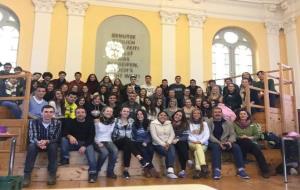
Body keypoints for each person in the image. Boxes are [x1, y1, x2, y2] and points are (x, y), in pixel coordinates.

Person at [23, 105, 61, 187]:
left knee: (54, 146)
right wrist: (38, 143)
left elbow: (56, 137)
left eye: (51, 112)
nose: (48, 114)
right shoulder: (33, 122)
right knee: (31, 146)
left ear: (53, 114)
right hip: (37, 143)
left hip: (50, 143)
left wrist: (47, 141)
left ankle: (52, 174)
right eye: (46, 112)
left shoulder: (57, 123)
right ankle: (27, 175)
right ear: (41, 113)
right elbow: (32, 136)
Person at [207, 106, 250, 180]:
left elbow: (233, 134)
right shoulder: (208, 122)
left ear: (222, 113)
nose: (217, 114)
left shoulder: (228, 123)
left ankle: (241, 169)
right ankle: (217, 170)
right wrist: (218, 142)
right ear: (212, 114)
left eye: (219, 112)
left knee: (236, 146)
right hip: (213, 142)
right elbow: (209, 134)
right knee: (216, 147)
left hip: (226, 142)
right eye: (215, 112)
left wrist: (229, 141)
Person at [60, 107, 97, 182]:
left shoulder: (90, 122)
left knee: (91, 155)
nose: (80, 114)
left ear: (85, 114)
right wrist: (70, 136)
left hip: (86, 143)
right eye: (78, 112)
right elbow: (64, 132)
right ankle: (65, 159)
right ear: (75, 114)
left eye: (82, 112)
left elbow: (91, 137)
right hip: (74, 143)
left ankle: (92, 173)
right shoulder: (71, 122)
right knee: (63, 139)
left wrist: (84, 146)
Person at [112, 106, 150, 179]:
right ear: (120, 112)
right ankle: (141, 159)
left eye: (127, 111)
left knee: (128, 147)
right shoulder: (115, 120)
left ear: (129, 113)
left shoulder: (131, 121)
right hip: (117, 142)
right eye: (124, 111)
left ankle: (126, 171)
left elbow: (141, 122)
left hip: (128, 143)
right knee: (127, 140)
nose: (126, 113)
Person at [233, 109, 270, 178]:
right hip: (239, 142)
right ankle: (243, 158)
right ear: (238, 115)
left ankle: (265, 171)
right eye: (241, 114)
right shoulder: (234, 124)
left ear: (247, 115)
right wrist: (240, 137)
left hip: (250, 142)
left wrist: (250, 137)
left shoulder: (252, 124)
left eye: (244, 114)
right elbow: (232, 134)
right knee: (246, 141)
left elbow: (257, 135)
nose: (242, 115)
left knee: (257, 150)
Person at [132, 109, 160, 178]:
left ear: (144, 115)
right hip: (138, 142)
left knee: (151, 150)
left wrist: (146, 141)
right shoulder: (134, 124)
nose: (139, 116)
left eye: (141, 114)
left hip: (147, 141)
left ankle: (146, 169)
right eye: (138, 114)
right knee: (143, 150)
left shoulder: (149, 123)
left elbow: (150, 134)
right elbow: (134, 135)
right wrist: (140, 141)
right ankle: (152, 168)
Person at [150, 111, 178, 179]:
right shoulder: (153, 123)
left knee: (171, 149)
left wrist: (168, 143)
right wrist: (163, 144)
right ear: (158, 116)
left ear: (167, 117)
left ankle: (170, 170)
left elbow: (172, 134)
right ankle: (170, 171)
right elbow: (154, 136)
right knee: (169, 152)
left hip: (168, 143)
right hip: (157, 144)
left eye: (165, 115)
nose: (163, 116)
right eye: (161, 115)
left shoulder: (169, 123)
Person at [94, 107, 118, 179]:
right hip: (97, 140)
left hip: (108, 140)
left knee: (115, 150)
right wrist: (98, 143)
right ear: (103, 112)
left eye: (111, 111)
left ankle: (110, 172)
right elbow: (92, 134)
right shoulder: (96, 121)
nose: (109, 113)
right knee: (104, 152)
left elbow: (110, 133)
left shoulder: (113, 121)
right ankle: (96, 171)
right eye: (107, 111)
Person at [188, 109, 210, 178]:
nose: (196, 114)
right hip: (192, 143)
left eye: (198, 113)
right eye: (194, 113)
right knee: (198, 146)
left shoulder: (204, 124)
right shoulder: (188, 123)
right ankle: (203, 165)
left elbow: (207, 135)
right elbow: (188, 135)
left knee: (196, 152)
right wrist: (195, 141)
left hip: (203, 143)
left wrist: (200, 141)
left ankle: (198, 170)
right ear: (192, 114)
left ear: (200, 115)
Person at [171, 110, 190, 178]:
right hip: (171, 141)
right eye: (176, 114)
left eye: (180, 116)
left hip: (180, 141)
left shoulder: (185, 124)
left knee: (181, 144)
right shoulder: (169, 122)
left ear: (182, 117)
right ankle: (187, 160)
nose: (178, 116)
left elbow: (185, 136)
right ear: (174, 115)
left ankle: (182, 170)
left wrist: (178, 139)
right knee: (182, 145)